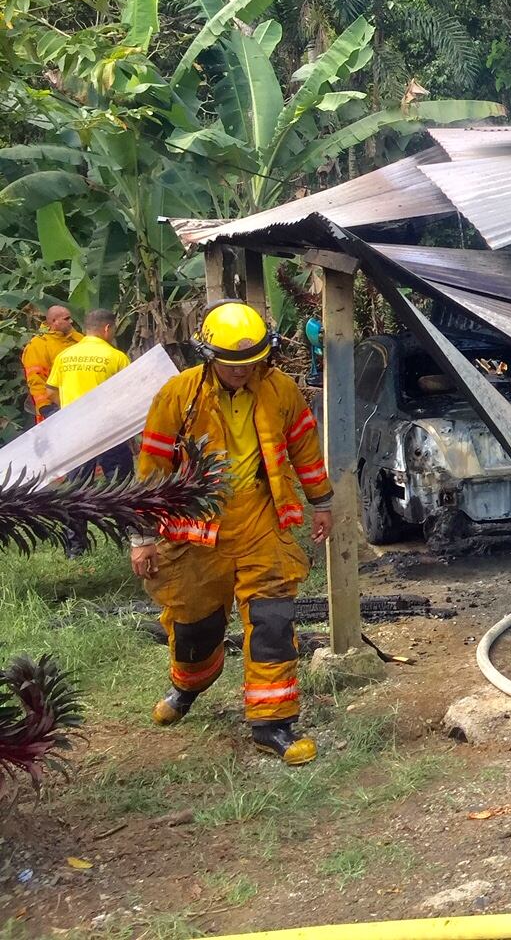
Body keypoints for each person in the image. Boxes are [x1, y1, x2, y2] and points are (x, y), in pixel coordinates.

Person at [128, 301, 334, 766]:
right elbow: (152, 468)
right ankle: (188, 684)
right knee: (196, 628)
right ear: (209, 355)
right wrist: (141, 537)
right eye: (233, 364)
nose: (243, 372)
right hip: (195, 531)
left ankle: (272, 725)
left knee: (273, 623)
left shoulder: (280, 391)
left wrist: (321, 502)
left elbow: (304, 447)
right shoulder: (178, 396)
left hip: (261, 520)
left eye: (252, 363)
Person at [47, 308, 133, 477]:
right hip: (108, 426)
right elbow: (129, 393)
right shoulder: (116, 357)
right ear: (107, 328)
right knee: (119, 479)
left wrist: (71, 408)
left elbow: (50, 392)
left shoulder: (64, 356)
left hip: (74, 425)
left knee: (79, 483)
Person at [21, 305, 81, 422]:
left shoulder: (77, 338)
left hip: (83, 401)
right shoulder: (38, 345)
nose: (71, 321)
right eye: (66, 319)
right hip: (57, 408)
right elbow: (36, 380)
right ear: (54, 321)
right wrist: (46, 408)